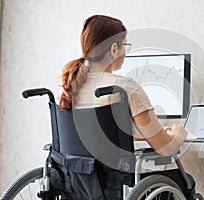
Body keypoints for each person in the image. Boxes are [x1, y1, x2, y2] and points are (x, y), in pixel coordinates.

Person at [59, 15, 187, 156]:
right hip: (117, 177)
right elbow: (167, 149)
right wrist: (178, 134)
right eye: (125, 45)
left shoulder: (70, 88)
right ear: (114, 49)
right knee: (186, 178)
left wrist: (148, 135)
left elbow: (100, 137)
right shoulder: (124, 88)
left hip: (78, 177)